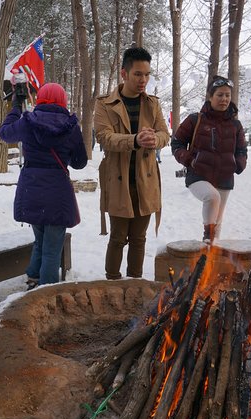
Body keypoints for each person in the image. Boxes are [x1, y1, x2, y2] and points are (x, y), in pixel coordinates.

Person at [0, 82, 87, 288]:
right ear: (63, 101)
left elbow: (4, 133)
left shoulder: (27, 122)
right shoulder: (71, 126)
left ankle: (33, 279)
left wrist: (14, 108)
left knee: (40, 240)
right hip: (58, 192)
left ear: (40, 99)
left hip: (32, 189)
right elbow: (80, 162)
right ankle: (46, 293)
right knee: (52, 249)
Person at [94, 47, 170, 280]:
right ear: (124, 73)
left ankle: (135, 285)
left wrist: (153, 139)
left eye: (147, 74)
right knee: (118, 238)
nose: (143, 80)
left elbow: (164, 135)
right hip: (118, 180)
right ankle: (112, 284)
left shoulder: (153, 104)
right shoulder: (105, 104)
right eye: (138, 74)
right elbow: (104, 137)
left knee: (139, 239)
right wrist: (135, 139)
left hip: (145, 180)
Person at [171, 75, 248, 242]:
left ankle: (210, 260)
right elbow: (177, 143)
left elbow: (242, 150)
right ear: (210, 96)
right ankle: (207, 236)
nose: (224, 99)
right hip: (199, 174)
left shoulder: (236, 125)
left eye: (227, 95)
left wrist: (238, 164)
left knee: (217, 225)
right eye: (220, 95)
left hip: (225, 176)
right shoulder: (195, 119)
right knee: (212, 198)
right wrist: (190, 160)